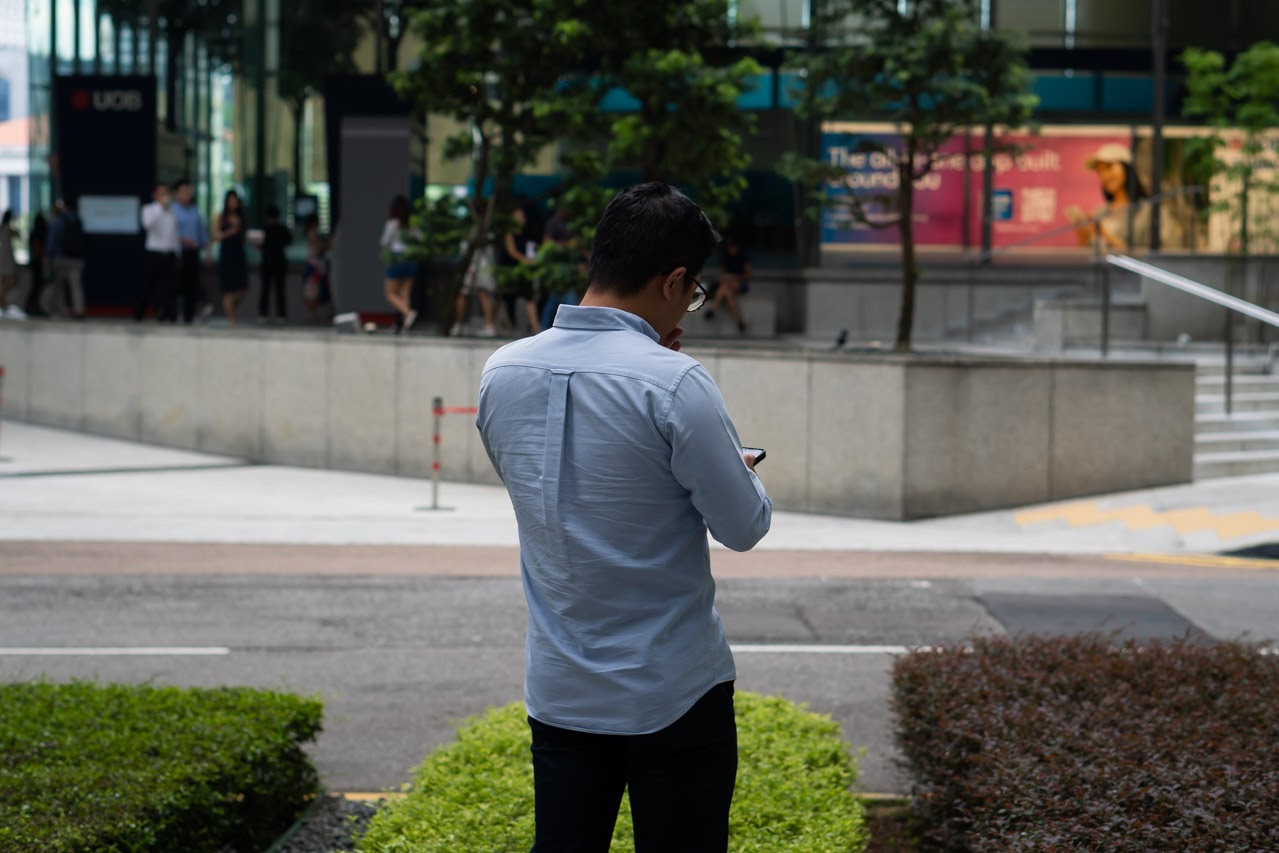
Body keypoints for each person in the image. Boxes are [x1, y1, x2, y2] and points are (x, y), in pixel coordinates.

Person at [477, 181, 772, 852]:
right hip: (670, 690)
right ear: (673, 280)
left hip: (559, 689)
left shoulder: (501, 371)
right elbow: (743, 527)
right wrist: (735, 465)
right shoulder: (674, 380)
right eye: (692, 291)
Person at [134, 183, 180, 321]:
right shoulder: (148, 209)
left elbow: (174, 233)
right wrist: (160, 207)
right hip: (154, 252)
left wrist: (178, 253)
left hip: (169, 253)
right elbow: (147, 224)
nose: (164, 196)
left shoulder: (172, 211)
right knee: (149, 284)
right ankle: (139, 313)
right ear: (154, 195)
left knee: (170, 286)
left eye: (166, 193)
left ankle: (168, 314)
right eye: (161, 193)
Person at [172, 179, 211, 323]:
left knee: (191, 284)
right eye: (183, 192)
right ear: (176, 194)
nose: (186, 194)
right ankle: (173, 313)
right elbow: (169, 232)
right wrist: (182, 240)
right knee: (177, 284)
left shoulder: (195, 210)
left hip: (192, 253)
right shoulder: (172, 210)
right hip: (177, 252)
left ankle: (189, 315)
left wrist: (208, 252)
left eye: (188, 192)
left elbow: (202, 233)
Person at [496, 206, 540, 335]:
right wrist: (526, 260)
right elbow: (512, 252)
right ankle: (495, 323)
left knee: (529, 297)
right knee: (505, 298)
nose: (521, 219)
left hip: (523, 272)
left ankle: (535, 326)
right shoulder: (509, 234)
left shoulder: (526, 234)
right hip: (510, 272)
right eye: (518, 216)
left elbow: (531, 249)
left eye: (522, 216)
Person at [380, 195, 417, 333]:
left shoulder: (392, 224)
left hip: (396, 259)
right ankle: (404, 325)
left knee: (390, 294)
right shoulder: (412, 224)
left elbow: (384, 242)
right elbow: (419, 239)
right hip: (410, 259)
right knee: (404, 294)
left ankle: (407, 313)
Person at [213, 190, 249, 325]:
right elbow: (215, 236)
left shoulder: (242, 217)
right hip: (226, 254)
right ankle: (231, 320)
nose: (233, 203)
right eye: (230, 200)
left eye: (235, 200)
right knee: (227, 288)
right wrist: (229, 232)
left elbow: (245, 237)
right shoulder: (220, 217)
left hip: (239, 254)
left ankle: (231, 309)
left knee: (243, 288)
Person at [46, 201, 87, 319]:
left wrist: (48, 255)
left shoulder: (59, 220)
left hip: (61, 258)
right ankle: (79, 311)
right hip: (76, 259)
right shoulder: (78, 220)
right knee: (76, 286)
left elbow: (52, 239)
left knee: (58, 286)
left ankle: (58, 310)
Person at [452, 236, 499, 337]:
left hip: (482, 262)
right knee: (464, 292)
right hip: (471, 260)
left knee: (483, 292)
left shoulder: (485, 228)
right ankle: (459, 324)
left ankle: (489, 325)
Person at [705, 235, 750, 333]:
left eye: (733, 247)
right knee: (727, 293)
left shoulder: (743, 258)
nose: (731, 249)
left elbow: (747, 276)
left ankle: (712, 310)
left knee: (724, 286)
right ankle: (740, 322)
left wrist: (733, 277)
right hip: (727, 284)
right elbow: (723, 274)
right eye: (730, 247)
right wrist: (728, 277)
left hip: (739, 283)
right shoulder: (725, 258)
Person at [258, 205, 292, 324]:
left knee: (266, 290)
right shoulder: (281, 228)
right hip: (279, 262)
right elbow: (289, 242)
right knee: (279, 290)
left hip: (268, 262)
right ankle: (281, 315)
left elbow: (259, 245)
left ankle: (263, 315)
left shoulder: (264, 229)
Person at [301, 216, 332, 324]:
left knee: (315, 291)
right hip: (314, 267)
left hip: (317, 266)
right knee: (312, 291)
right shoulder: (312, 233)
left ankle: (314, 315)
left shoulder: (314, 233)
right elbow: (318, 247)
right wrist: (328, 243)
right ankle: (312, 315)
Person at [22, 212, 48, 317]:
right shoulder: (40, 233)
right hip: (38, 262)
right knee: (37, 285)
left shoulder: (33, 232)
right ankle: (31, 306)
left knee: (36, 285)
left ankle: (33, 306)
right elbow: (37, 248)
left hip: (35, 261)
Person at [0, 210, 20, 317]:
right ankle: (2, 300)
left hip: (4, 254)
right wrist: (15, 222)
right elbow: (18, 235)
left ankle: (2, 301)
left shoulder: (2, 227)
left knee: (3, 282)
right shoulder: (7, 227)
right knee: (11, 280)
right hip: (6, 255)